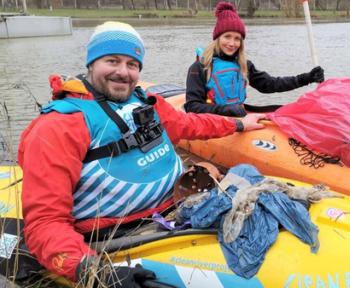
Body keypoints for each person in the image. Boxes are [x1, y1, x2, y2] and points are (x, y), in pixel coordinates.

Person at [17, 21, 265, 287]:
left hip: (178, 210)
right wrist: (96, 272)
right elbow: (44, 223)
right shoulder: (59, 126)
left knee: (247, 178)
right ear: (91, 64)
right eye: (112, 61)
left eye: (132, 64)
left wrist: (239, 124)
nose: (123, 72)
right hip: (123, 235)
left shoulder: (142, 100)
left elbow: (189, 125)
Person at [184, 1, 325, 117]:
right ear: (217, 38)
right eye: (227, 37)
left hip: (238, 115)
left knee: (288, 111)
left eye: (237, 39)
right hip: (212, 121)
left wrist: (306, 78)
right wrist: (224, 110)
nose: (232, 43)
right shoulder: (199, 67)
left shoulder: (244, 65)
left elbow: (271, 84)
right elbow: (191, 106)